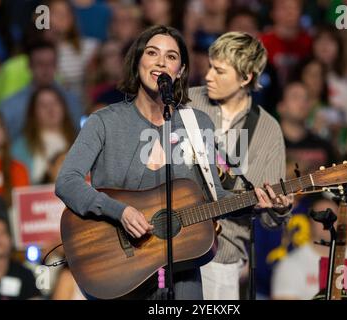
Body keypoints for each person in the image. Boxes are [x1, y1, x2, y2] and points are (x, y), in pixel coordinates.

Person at [55, 25, 290, 300]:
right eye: (152, 53)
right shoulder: (103, 122)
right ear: (137, 61)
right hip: (119, 268)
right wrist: (119, 211)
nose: (160, 62)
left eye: (171, 56)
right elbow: (67, 181)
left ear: (180, 70)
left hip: (182, 272)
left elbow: (217, 197)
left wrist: (258, 203)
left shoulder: (196, 123)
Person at [189, 32, 293, 300]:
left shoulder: (268, 130)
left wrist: (279, 208)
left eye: (219, 71)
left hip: (221, 255)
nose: (209, 75)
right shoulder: (187, 102)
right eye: (210, 66)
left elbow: (270, 221)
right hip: (168, 248)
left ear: (246, 77)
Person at [271, 194, 347, 300]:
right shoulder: (290, 264)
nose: (327, 221)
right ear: (310, 222)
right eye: (320, 216)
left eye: (333, 216)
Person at [0, 39, 82, 142]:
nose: (46, 70)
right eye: (40, 64)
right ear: (29, 66)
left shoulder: (73, 101)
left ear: (56, 66)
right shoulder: (10, 105)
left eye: (50, 64)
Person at [12, 86, 76, 185]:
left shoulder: (79, 140)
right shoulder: (20, 147)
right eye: (43, 105)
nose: (51, 109)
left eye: (55, 103)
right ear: (33, 112)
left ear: (63, 107)